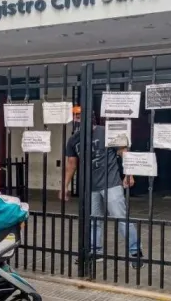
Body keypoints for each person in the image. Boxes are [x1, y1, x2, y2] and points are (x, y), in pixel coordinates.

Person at [60, 106, 143, 269]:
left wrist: (129, 174)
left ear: (89, 117)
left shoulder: (106, 132)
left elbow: (123, 152)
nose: (76, 119)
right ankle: (95, 252)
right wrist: (65, 185)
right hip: (89, 186)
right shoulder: (73, 139)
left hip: (111, 183)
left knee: (121, 217)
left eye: (78, 116)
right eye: (74, 116)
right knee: (93, 220)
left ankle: (135, 252)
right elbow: (71, 164)